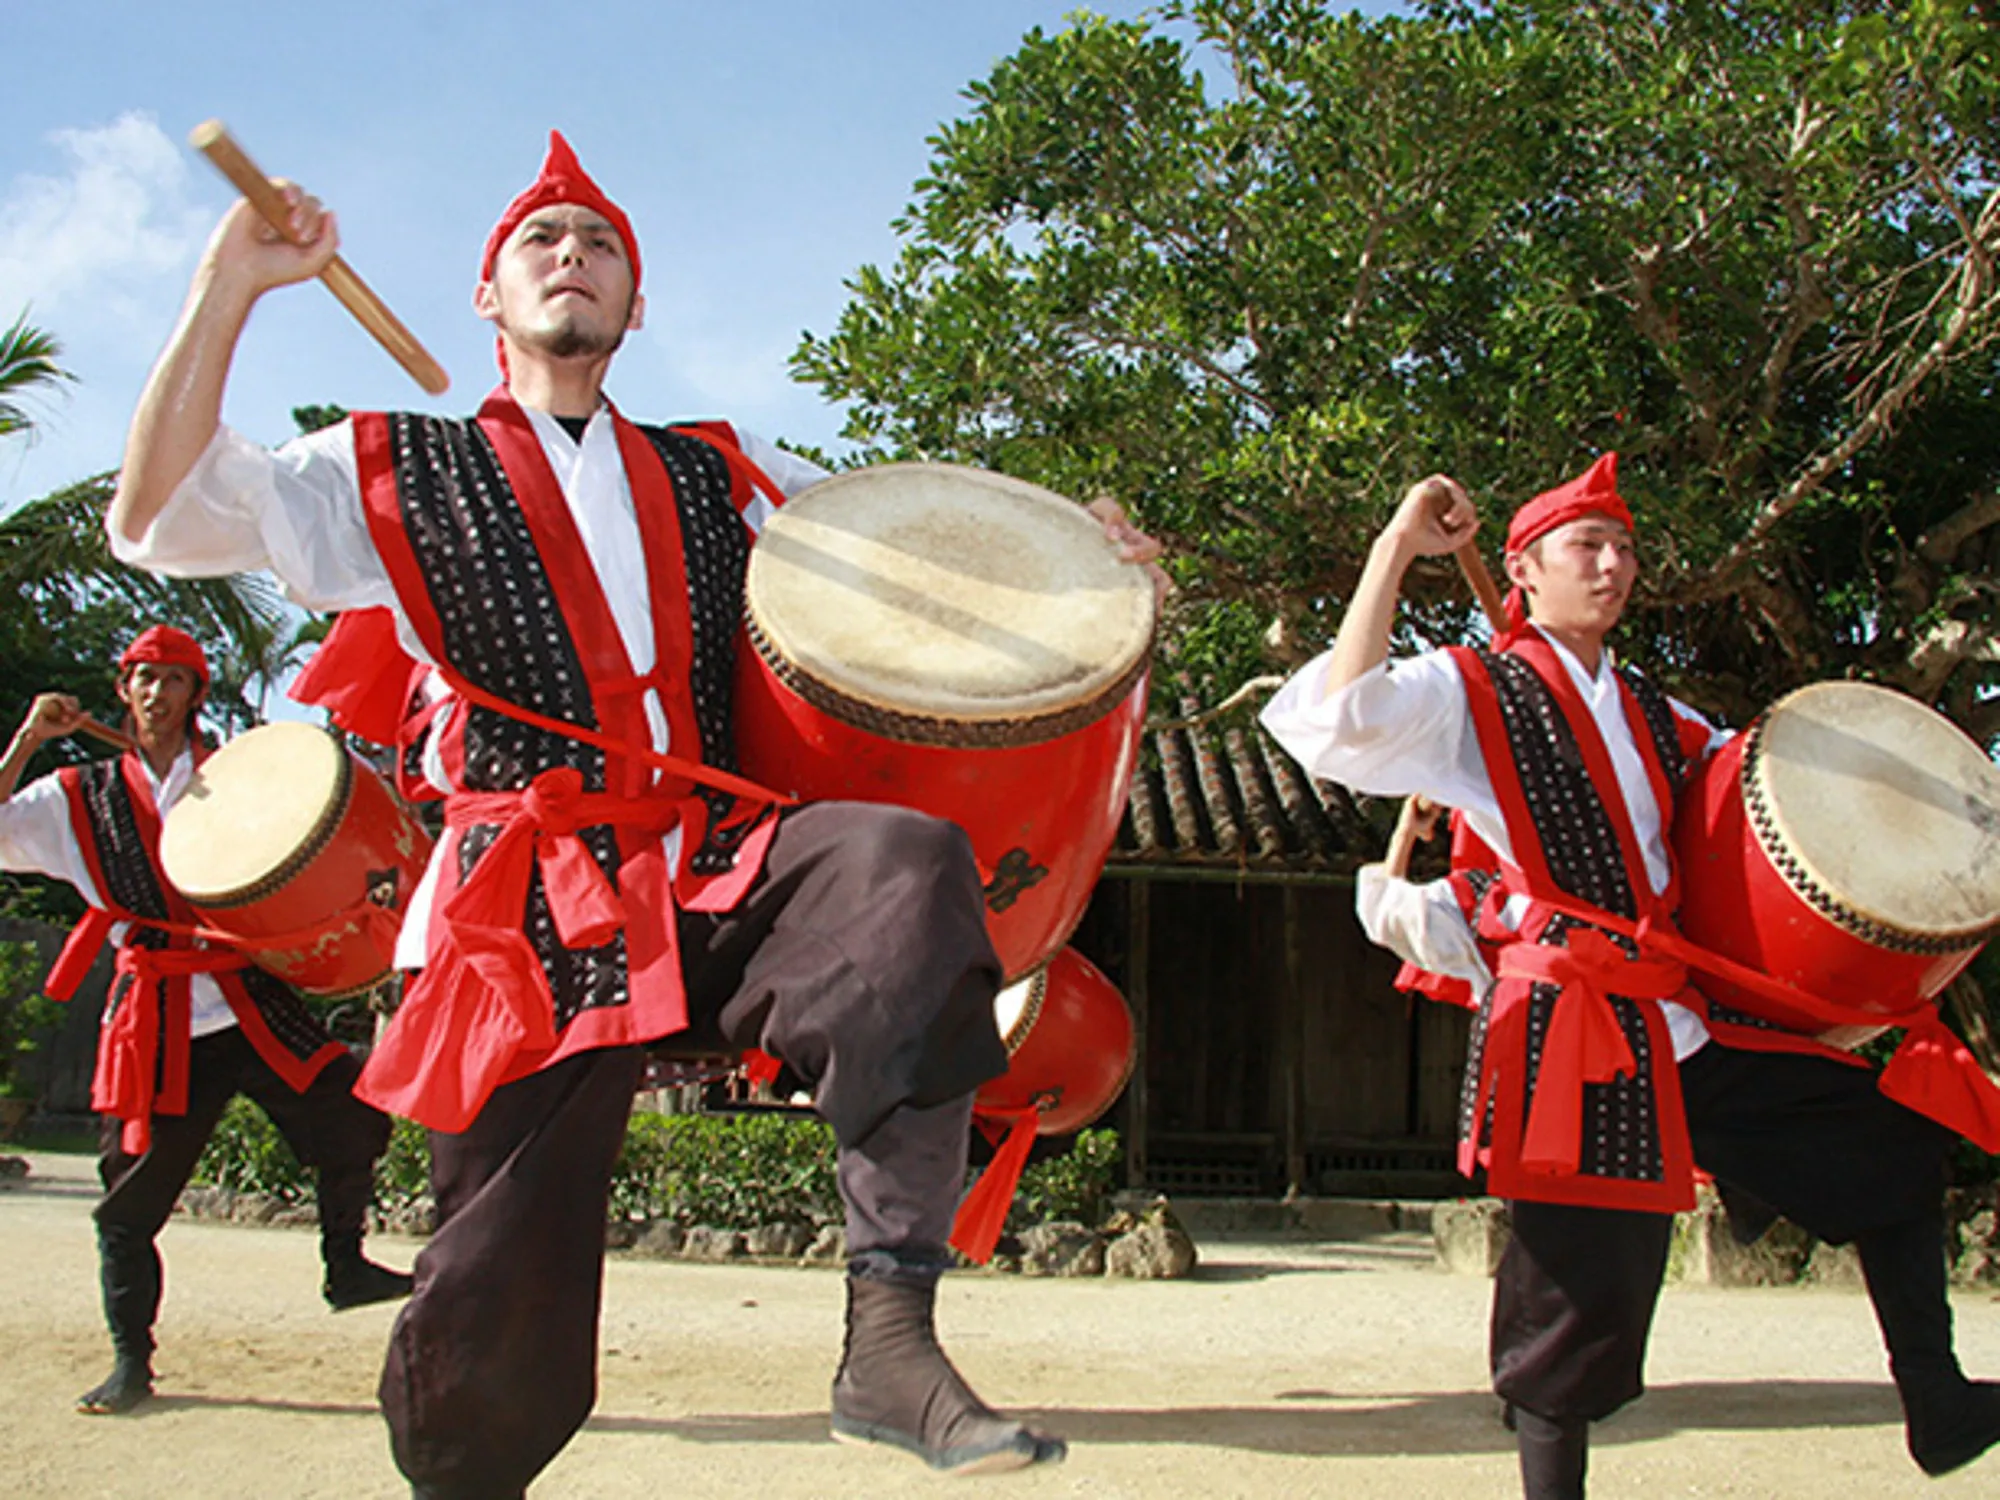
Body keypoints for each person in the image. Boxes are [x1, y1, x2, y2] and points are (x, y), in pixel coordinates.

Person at [107, 133, 1160, 1498]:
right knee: (497, 1300)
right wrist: (229, 284)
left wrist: (1074, 557)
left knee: (901, 868)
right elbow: (159, 513)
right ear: (486, 296)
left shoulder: (731, 471)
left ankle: (889, 1344)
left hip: (716, 869)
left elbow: (925, 563)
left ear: (636, 306)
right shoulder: (390, 469)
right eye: (540, 242)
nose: (572, 257)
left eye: (599, 243)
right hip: (520, 899)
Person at [1261, 455, 2000, 1497]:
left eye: (1623, 550)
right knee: (1575, 1299)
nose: (1611, 567)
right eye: (1585, 549)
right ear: (1521, 570)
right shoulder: (1469, 690)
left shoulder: (1658, 713)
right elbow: (1335, 722)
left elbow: (1753, 800)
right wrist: (1394, 546)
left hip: (1678, 1026)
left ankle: (1933, 1400)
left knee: (1886, 1152)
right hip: (1572, 1030)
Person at [0, 627, 411, 1418]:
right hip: (155, 1016)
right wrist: (28, 737)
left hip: (247, 999)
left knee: (352, 1108)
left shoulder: (235, 778)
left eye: (174, 681)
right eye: (144, 679)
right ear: (124, 690)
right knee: (127, 1204)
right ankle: (130, 1363)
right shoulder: (73, 796)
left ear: (195, 694)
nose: (157, 694)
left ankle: (345, 1265)